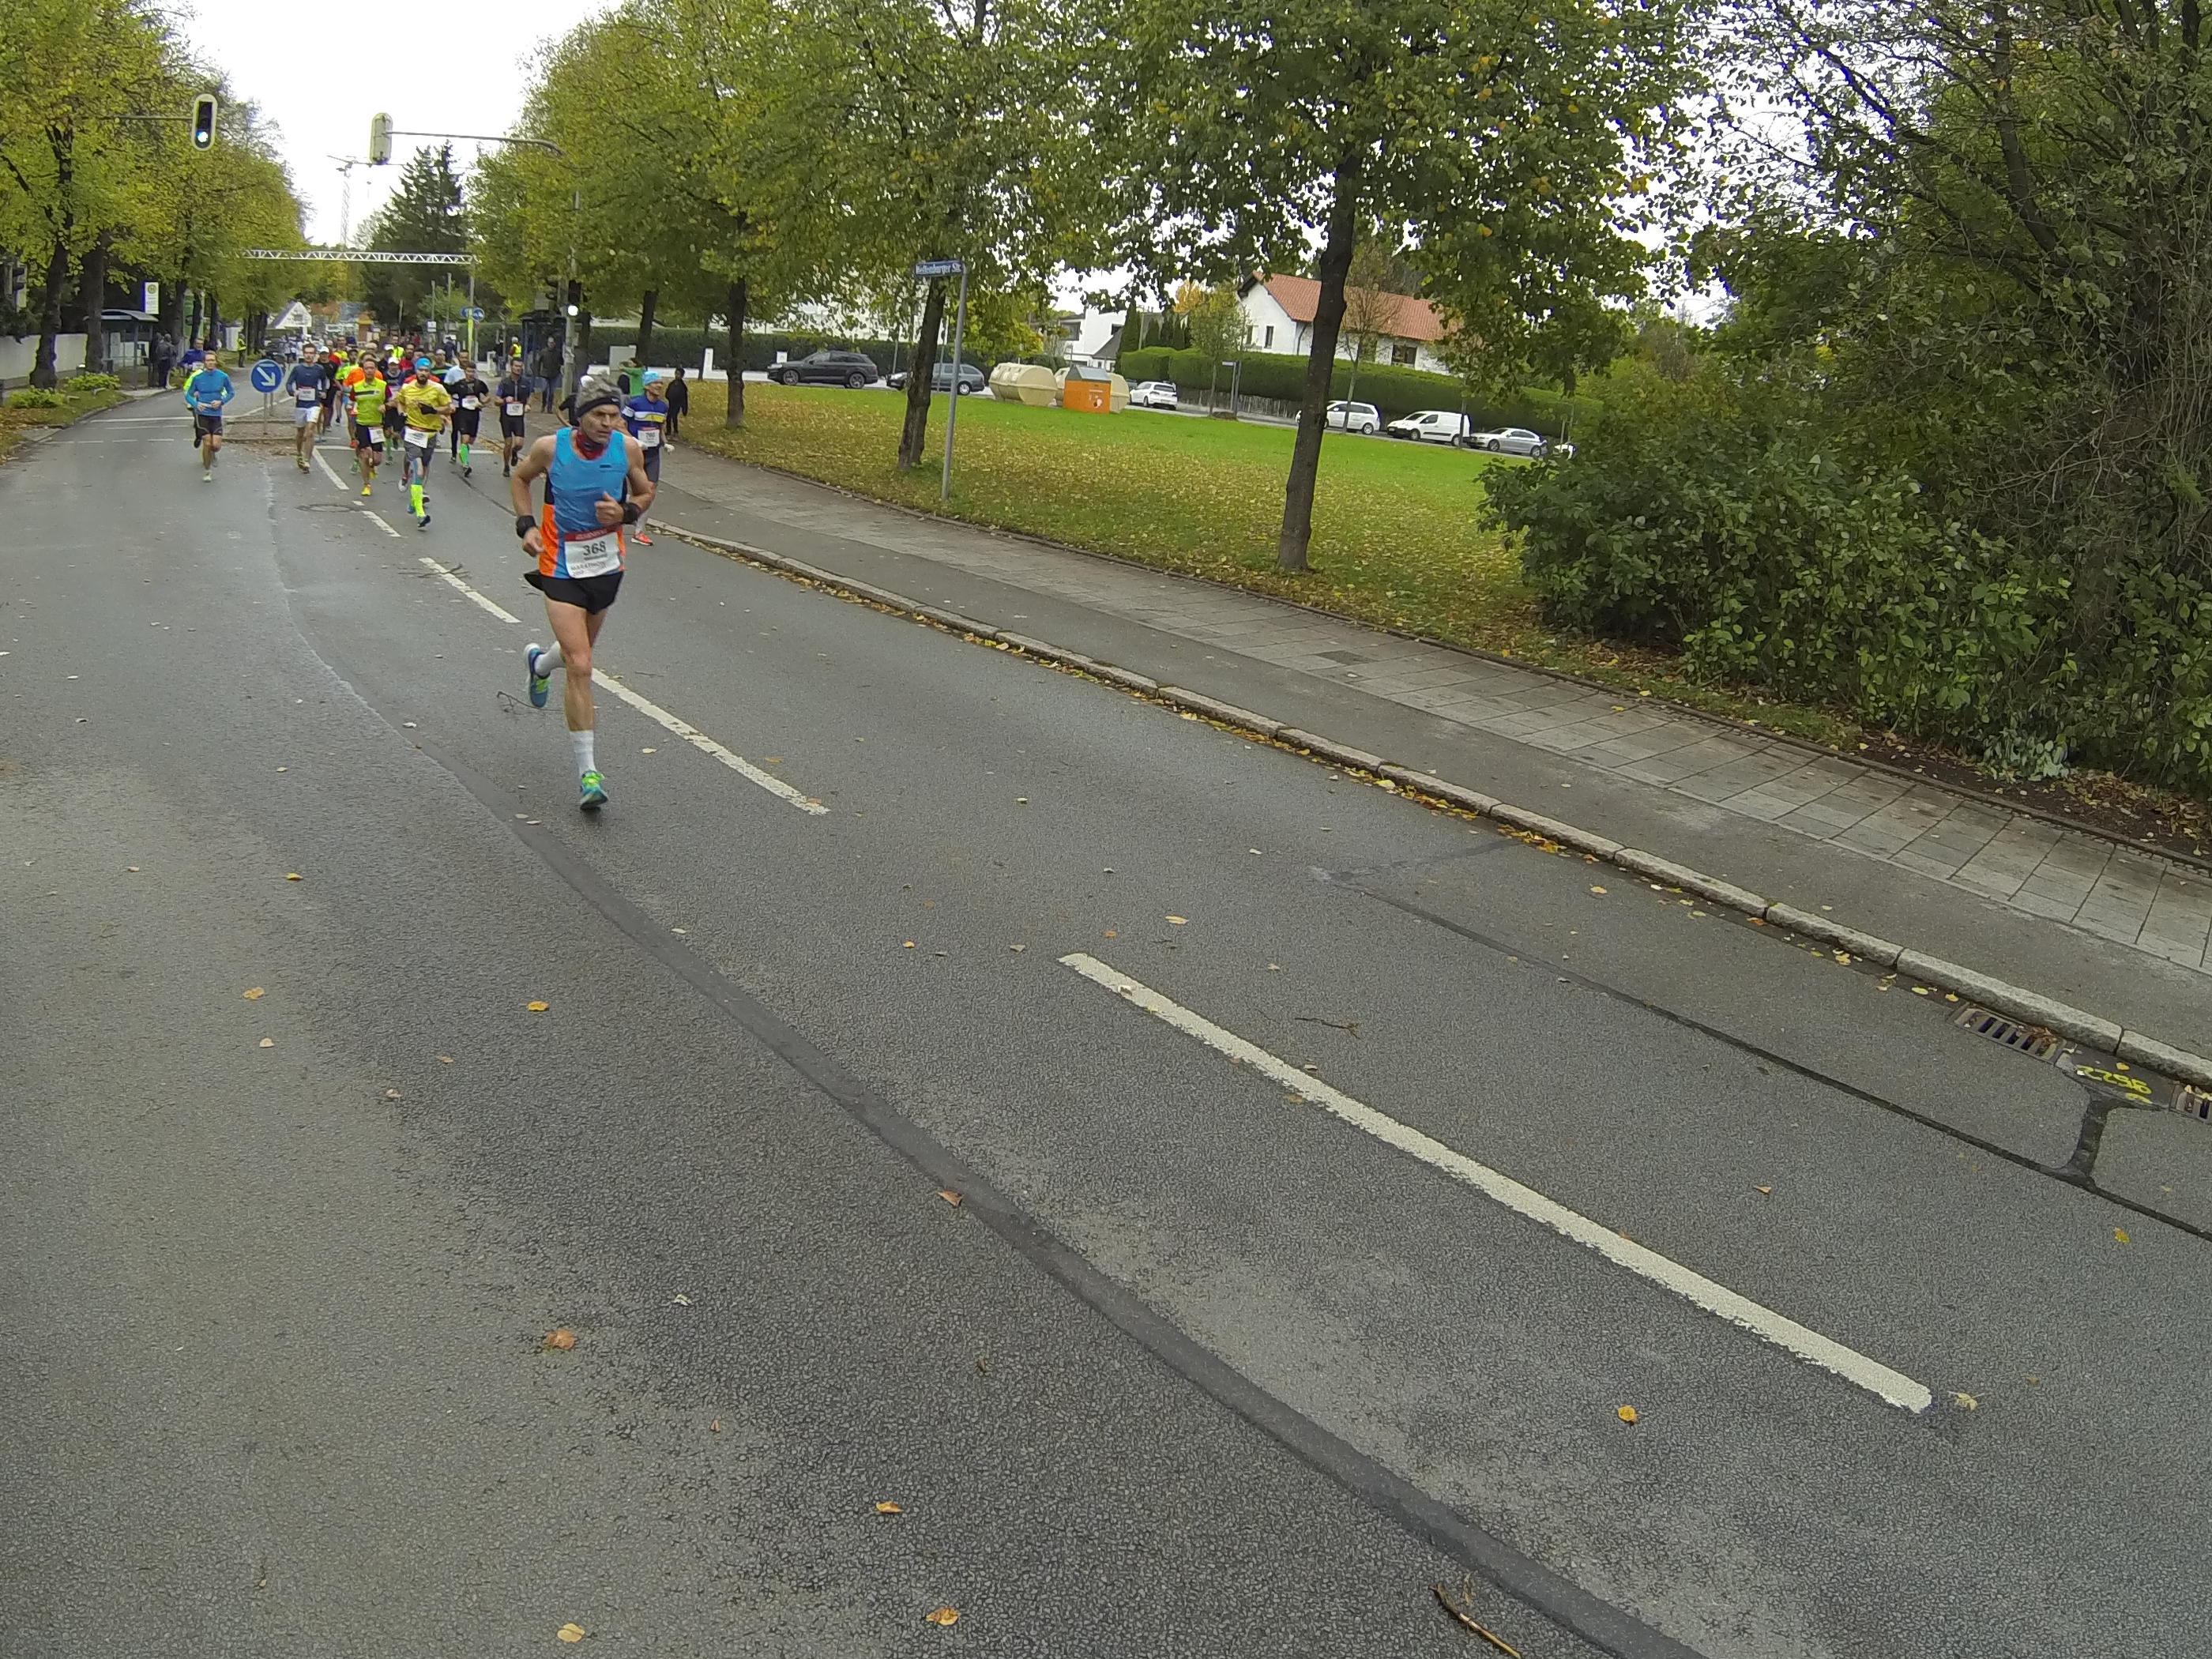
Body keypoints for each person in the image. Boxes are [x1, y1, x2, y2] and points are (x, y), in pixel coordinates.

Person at [510, 375, 656, 811]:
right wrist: (527, 526)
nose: (608, 423)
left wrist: (626, 511)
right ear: (581, 417)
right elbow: (521, 478)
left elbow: (646, 491)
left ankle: (539, 664)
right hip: (559, 563)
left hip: (606, 564)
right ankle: (589, 773)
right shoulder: (550, 449)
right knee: (582, 664)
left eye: (614, 415)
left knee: (579, 652)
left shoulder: (627, 449)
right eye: (600, 416)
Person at [394, 357, 453, 529]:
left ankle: (414, 501)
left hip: (430, 434)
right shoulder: (408, 388)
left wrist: (434, 410)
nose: (423, 373)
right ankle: (420, 514)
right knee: (419, 470)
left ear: (430, 373)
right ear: (416, 371)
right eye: (421, 370)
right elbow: (400, 401)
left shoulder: (438, 389)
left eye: (426, 371)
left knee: (424, 469)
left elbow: (449, 408)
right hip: (412, 433)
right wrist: (401, 414)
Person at [620, 371, 670, 545]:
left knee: (651, 490)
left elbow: (660, 427)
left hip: (653, 453)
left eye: (661, 383)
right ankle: (624, 511)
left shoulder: (663, 406)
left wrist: (665, 443)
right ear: (647, 386)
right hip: (636, 452)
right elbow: (621, 424)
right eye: (656, 383)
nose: (659, 386)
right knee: (635, 490)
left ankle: (639, 531)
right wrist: (633, 441)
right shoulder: (635, 403)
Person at [182, 356, 234, 481]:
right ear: (204, 363)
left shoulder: (223, 376)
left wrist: (221, 402)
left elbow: (231, 392)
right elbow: (188, 394)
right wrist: (196, 404)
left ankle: (213, 452)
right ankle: (207, 471)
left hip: (216, 414)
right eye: (208, 360)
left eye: (212, 360)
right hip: (202, 414)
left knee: (215, 445)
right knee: (207, 442)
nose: (210, 363)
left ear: (216, 362)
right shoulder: (198, 378)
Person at [348, 359, 388, 496]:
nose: (370, 370)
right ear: (363, 370)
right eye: (367, 368)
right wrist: (351, 414)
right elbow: (352, 402)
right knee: (365, 454)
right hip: (362, 424)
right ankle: (367, 485)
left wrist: (385, 406)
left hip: (377, 425)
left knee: (377, 460)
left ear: (376, 369)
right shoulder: (357, 386)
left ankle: (372, 466)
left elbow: (391, 401)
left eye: (372, 368)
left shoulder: (383, 385)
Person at [284, 351, 329, 472]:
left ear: (315, 355)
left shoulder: (319, 369)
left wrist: (323, 391)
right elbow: (289, 383)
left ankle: (307, 460)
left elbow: (324, 381)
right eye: (307, 353)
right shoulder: (298, 369)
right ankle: (299, 453)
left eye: (311, 353)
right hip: (301, 405)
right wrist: (293, 392)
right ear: (303, 355)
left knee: (310, 431)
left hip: (314, 404)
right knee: (300, 433)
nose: (309, 356)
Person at [446, 358, 490, 474]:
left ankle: (464, 453)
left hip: (475, 414)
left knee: (471, 440)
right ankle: (465, 464)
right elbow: (449, 392)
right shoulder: (459, 384)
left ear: (475, 372)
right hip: (462, 413)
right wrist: (451, 403)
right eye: (468, 371)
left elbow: (488, 396)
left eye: (472, 371)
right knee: (465, 439)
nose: (470, 374)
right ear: (465, 372)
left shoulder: (479, 384)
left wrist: (483, 402)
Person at [495, 356, 532, 476]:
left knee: (519, 444)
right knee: (508, 443)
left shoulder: (526, 383)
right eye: (516, 366)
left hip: (519, 417)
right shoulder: (504, 383)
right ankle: (506, 466)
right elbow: (496, 400)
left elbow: (530, 396)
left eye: (520, 366)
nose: (518, 369)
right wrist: (505, 400)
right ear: (511, 367)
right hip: (506, 417)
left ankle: (514, 452)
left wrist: (528, 405)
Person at [533, 340, 562, 411]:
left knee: (552, 392)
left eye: (552, 343)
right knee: (544, 390)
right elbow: (538, 362)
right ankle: (543, 405)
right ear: (547, 343)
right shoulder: (543, 352)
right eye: (550, 343)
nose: (551, 344)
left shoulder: (558, 353)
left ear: (554, 344)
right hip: (544, 374)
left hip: (554, 374)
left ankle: (549, 407)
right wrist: (537, 372)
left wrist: (559, 369)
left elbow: (561, 362)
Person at [664, 364, 688, 438]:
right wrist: (668, 397)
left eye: (679, 374)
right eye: (676, 374)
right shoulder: (672, 383)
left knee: (674, 417)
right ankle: (668, 431)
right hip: (671, 403)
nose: (677, 376)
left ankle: (675, 431)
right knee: (668, 417)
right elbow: (667, 392)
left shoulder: (682, 386)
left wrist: (684, 408)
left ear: (682, 376)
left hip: (677, 404)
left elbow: (684, 398)